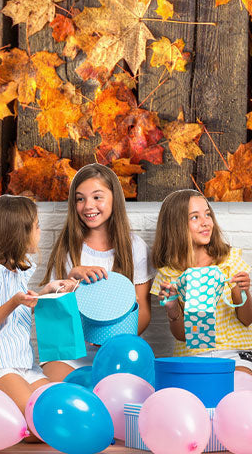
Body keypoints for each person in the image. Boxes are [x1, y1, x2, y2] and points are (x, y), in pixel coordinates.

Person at [0, 194, 77, 434]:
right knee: (40, 425)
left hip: (21, 365)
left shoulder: (16, 271)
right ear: (17, 232)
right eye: (37, 226)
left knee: (60, 412)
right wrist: (14, 302)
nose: (40, 232)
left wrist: (46, 292)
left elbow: (17, 311)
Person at [41, 163, 154, 380]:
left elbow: (143, 312)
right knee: (59, 390)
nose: (87, 206)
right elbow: (54, 316)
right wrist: (70, 282)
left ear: (114, 199)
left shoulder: (135, 247)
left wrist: (111, 341)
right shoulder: (68, 248)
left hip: (117, 349)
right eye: (80, 198)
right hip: (70, 351)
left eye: (97, 197)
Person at [151, 188, 252, 380]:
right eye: (195, 217)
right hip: (193, 356)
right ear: (176, 226)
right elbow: (182, 336)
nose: (205, 222)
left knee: (238, 391)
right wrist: (172, 310)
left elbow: (247, 319)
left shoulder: (229, 259)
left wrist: (243, 291)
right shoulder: (169, 274)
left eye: (207, 214)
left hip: (235, 354)